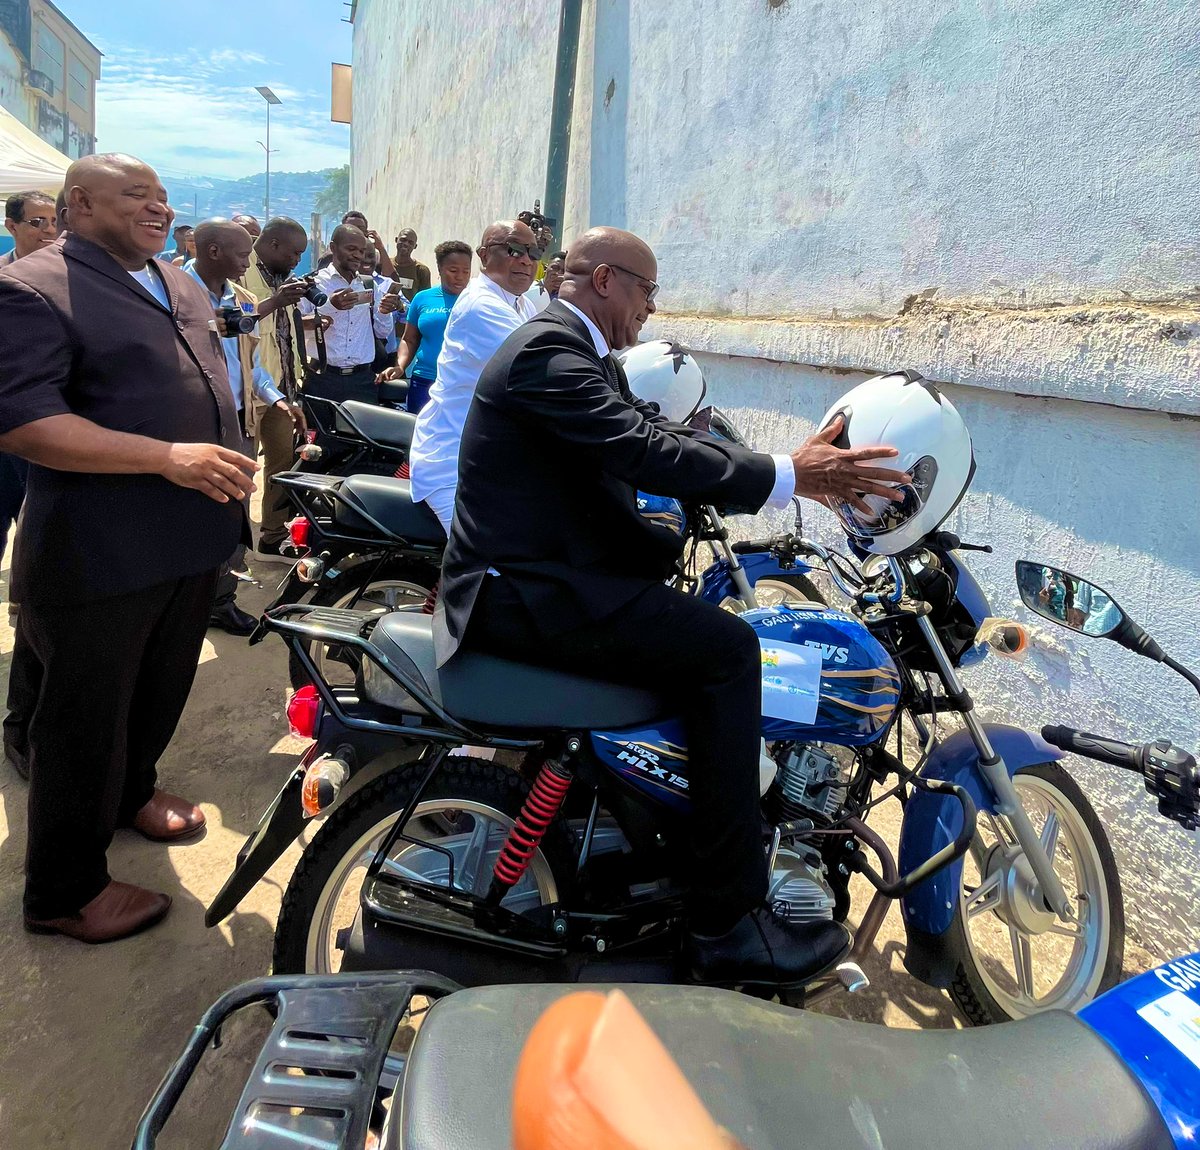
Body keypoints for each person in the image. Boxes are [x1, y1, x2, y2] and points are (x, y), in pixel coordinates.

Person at [436, 226, 909, 990]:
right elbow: (640, 447)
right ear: (604, 282)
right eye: (648, 290)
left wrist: (762, 454)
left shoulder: (572, 348)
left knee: (691, 628)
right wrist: (791, 475)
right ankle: (728, 922)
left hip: (542, 578)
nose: (653, 309)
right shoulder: (547, 351)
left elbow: (653, 431)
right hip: (525, 594)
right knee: (728, 653)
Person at [0, 153, 258, 943]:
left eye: (164, 197)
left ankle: (129, 796)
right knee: (83, 722)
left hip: (190, 539)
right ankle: (64, 893)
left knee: (158, 691)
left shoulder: (178, 283)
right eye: (135, 195)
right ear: (78, 204)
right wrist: (164, 456)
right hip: (101, 552)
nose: (160, 208)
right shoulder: (34, 288)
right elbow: (23, 422)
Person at [186, 218, 305, 634]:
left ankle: (220, 599)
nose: (246, 262)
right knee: (194, 513)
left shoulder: (240, 297)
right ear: (212, 251)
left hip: (240, 418)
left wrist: (278, 398)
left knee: (232, 512)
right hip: (195, 421)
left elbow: (251, 364)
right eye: (241, 255)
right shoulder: (174, 295)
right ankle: (188, 598)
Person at [409, 219, 541, 529]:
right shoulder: (482, 305)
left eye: (533, 252)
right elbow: (544, 365)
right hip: (455, 466)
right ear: (484, 255)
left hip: (487, 459)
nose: (525, 259)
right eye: (513, 249)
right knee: (492, 569)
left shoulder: (521, 305)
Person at [242, 216, 315, 562]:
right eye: (294, 253)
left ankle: (271, 538)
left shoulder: (282, 276)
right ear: (272, 245)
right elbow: (227, 321)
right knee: (241, 470)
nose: (297, 261)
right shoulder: (240, 271)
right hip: (247, 389)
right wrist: (273, 301)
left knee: (281, 465)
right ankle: (232, 553)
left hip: (281, 387)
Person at [299, 224, 402, 413]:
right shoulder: (312, 283)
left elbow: (381, 332)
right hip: (322, 379)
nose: (357, 255)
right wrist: (329, 305)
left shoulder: (369, 285)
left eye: (361, 251)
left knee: (360, 441)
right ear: (333, 247)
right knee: (319, 440)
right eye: (351, 249)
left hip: (361, 381)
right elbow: (295, 325)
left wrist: (385, 312)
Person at [376, 239, 473, 414]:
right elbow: (409, 339)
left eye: (466, 271)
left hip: (463, 385)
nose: (460, 276)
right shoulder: (422, 299)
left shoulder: (477, 301)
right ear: (440, 269)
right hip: (423, 381)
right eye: (453, 270)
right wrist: (400, 366)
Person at [360, 244, 404, 371]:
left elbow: (408, 314)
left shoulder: (387, 283)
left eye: (371, 256)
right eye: (363, 255)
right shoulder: (347, 284)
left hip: (384, 353)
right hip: (357, 358)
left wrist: (399, 306)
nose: (367, 260)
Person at [318, 210, 395, 278]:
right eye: (351, 227)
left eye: (361, 229)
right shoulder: (332, 256)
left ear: (367, 232)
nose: (356, 231)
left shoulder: (375, 256)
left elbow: (391, 278)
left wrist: (381, 248)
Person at [3, 191, 58, 267]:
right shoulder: (3, 271)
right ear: (12, 227)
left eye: (55, 222)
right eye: (38, 222)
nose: (51, 230)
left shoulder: (74, 271)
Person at [392, 228, 432, 302]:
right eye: (403, 240)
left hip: (409, 312)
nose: (406, 244)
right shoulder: (386, 264)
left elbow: (425, 298)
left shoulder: (421, 270)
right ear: (396, 240)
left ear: (415, 246)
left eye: (410, 242)